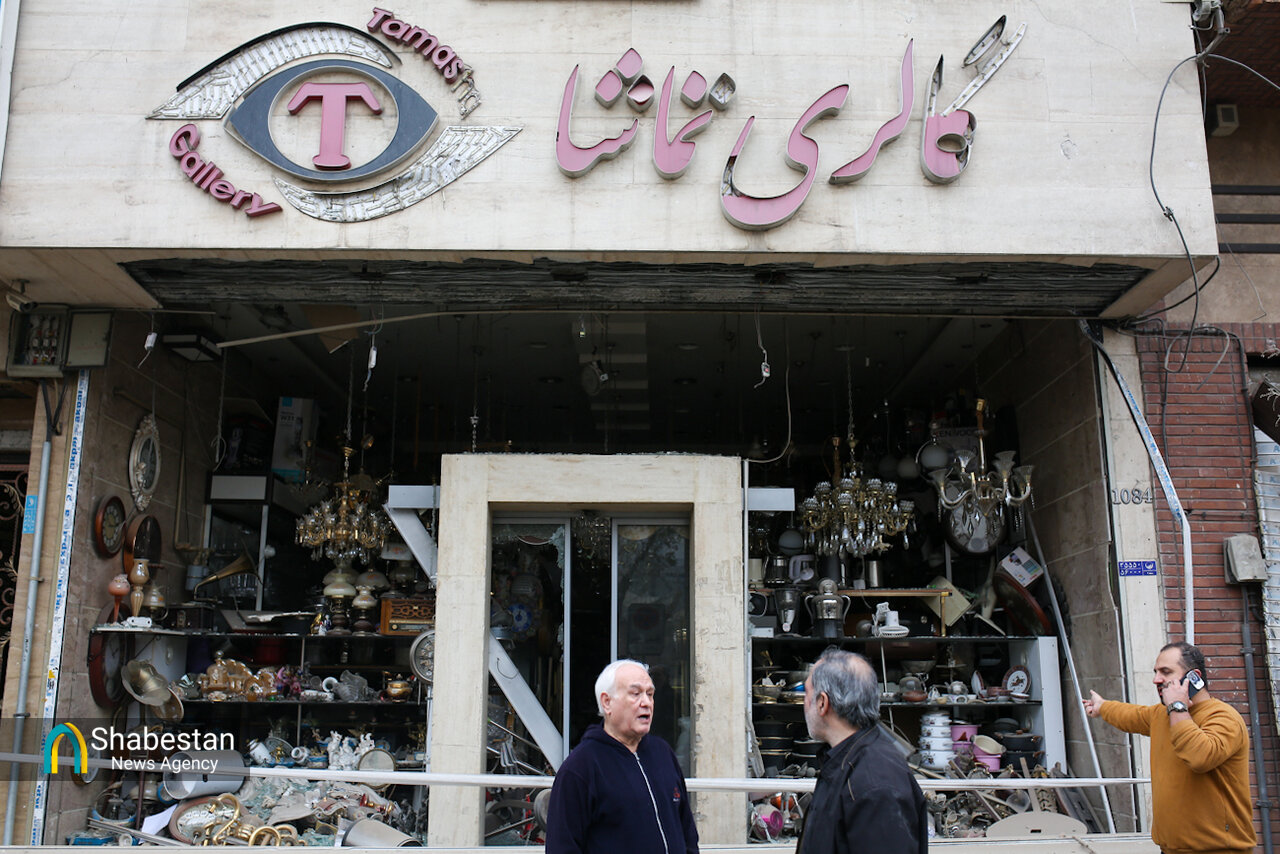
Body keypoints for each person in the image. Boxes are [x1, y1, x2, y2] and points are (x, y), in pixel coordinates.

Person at [1083, 640, 1256, 853]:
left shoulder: (1223, 717)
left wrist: (1177, 706)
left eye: (1166, 672)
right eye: (1156, 672)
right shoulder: (1162, 715)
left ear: (1194, 677)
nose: (1156, 679)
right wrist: (1103, 706)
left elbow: (1200, 757)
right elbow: (1130, 715)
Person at [545, 659, 698, 854]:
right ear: (607, 702)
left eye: (650, 694)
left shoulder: (663, 753)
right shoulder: (580, 768)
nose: (646, 703)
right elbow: (562, 846)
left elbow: (687, 831)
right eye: (635, 694)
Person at [796, 649, 928, 854]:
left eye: (806, 693)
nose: (804, 702)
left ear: (822, 703)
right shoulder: (844, 760)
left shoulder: (874, 783)